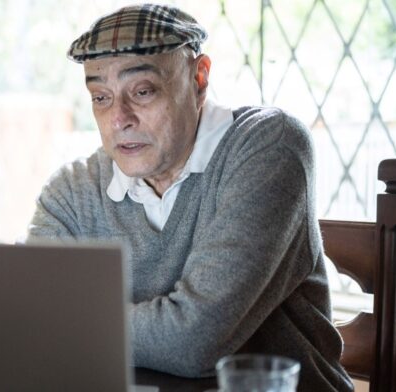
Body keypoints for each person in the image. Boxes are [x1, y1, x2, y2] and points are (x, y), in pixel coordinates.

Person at [27, 4, 353, 391]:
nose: (119, 118)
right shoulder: (71, 192)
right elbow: (32, 322)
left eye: (142, 91)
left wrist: (74, 323)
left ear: (199, 79)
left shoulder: (269, 146)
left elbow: (195, 341)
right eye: (101, 97)